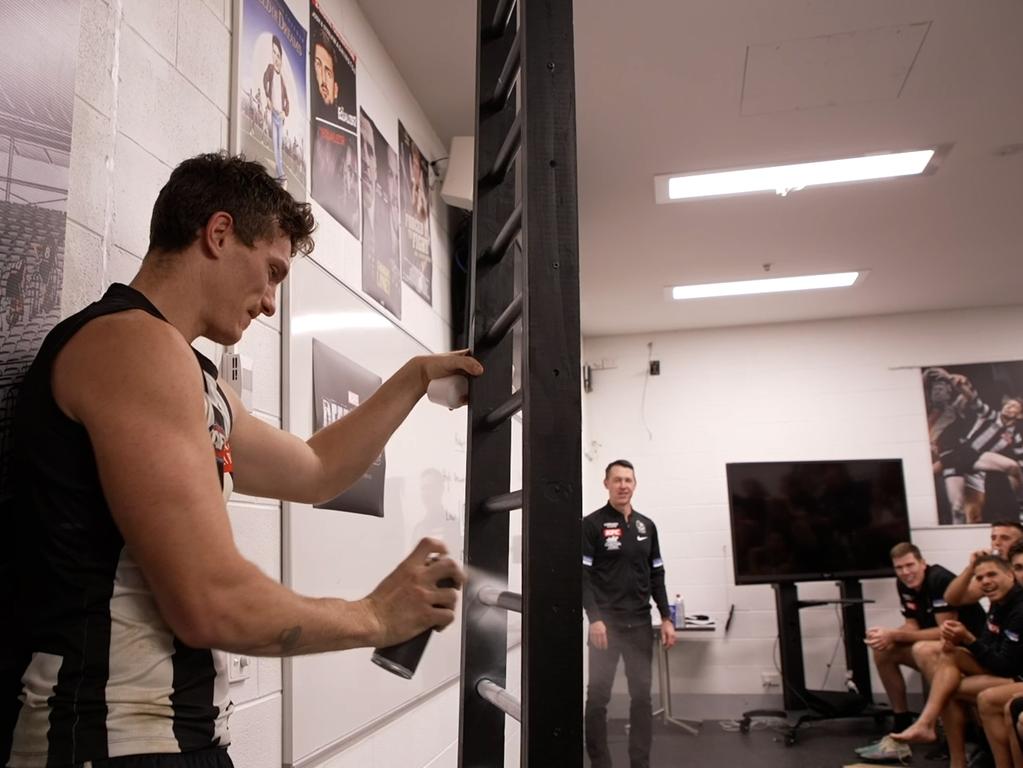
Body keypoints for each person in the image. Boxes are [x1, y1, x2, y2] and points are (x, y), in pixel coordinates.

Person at [0, 153, 481, 767]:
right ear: (219, 233)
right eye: (273, 271)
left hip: (175, 735)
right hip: (107, 738)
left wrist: (414, 377)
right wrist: (374, 617)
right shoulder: (130, 345)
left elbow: (315, 469)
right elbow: (210, 600)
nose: (272, 303)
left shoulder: (192, 375)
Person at [582, 459, 676, 768]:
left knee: (642, 699)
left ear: (635, 485)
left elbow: (656, 575)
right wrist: (594, 618)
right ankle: (600, 763)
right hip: (605, 628)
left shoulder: (646, 526)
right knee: (597, 700)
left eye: (628, 480)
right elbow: (581, 577)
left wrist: (666, 618)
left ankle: (640, 762)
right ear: (606, 483)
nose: (623, 485)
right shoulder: (592, 525)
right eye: (617, 480)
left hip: (639, 626)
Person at [890, 555, 1023, 768]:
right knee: (948, 654)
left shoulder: (1019, 608)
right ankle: (954, 758)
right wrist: (960, 640)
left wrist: (968, 639)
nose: (985, 581)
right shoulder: (998, 603)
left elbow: (1005, 664)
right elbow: (988, 645)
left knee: (952, 691)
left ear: (1010, 575)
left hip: (1014, 675)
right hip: (1003, 668)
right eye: (979, 578)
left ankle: (929, 725)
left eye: (992, 574)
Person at [858, 543, 986, 749]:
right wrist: (886, 636)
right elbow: (912, 625)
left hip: (967, 648)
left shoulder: (938, 579)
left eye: (910, 565)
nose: (906, 572)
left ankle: (952, 733)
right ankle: (901, 723)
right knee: (884, 649)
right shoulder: (903, 584)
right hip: (940, 645)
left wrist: (895, 634)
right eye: (899, 568)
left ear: (923, 563)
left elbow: (945, 632)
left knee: (923, 649)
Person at [262, 35, 290, 183]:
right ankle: (279, 173)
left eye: (278, 54)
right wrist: (267, 97)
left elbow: (287, 100)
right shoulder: (270, 69)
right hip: (273, 114)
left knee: (279, 145)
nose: (276, 58)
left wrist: (286, 112)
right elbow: (265, 79)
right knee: (275, 144)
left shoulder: (282, 79)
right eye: (273, 53)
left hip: (280, 116)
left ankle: (280, 172)